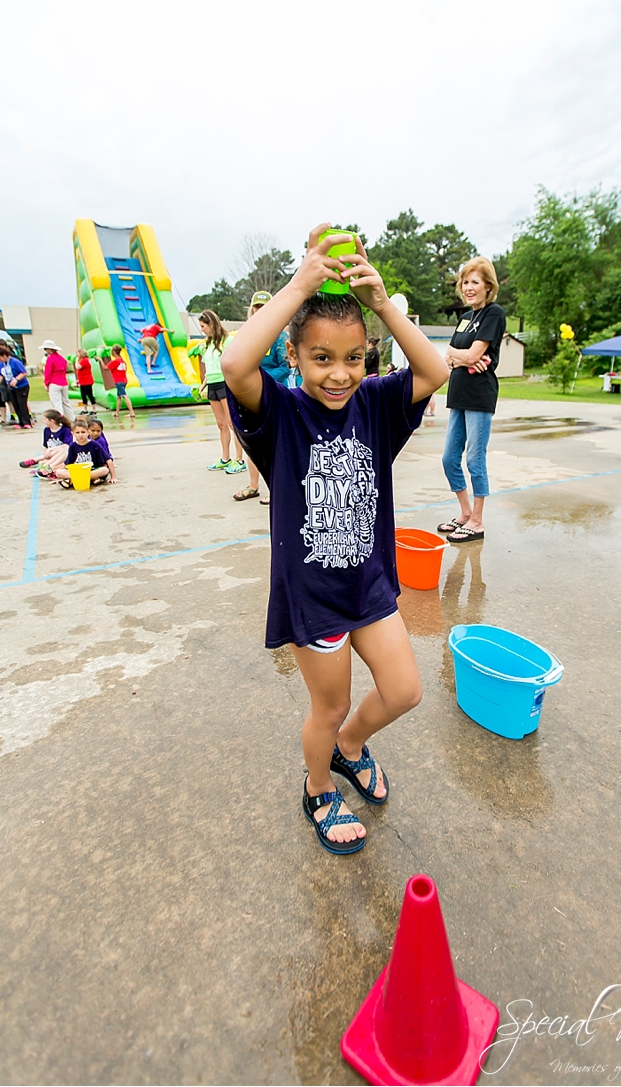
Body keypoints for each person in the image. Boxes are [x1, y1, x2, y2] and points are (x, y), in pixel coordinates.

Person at [222, 223, 448, 854]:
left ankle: (350, 747)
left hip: (369, 584)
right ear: (295, 357)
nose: (339, 374)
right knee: (329, 703)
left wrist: (381, 304)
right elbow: (235, 361)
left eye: (353, 358)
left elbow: (433, 370)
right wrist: (300, 283)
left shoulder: (375, 404)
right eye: (321, 358)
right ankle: (318, 785)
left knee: (405, 689)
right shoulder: (280, 414)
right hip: (314, 594)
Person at [438, 257, 506, 543]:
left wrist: (463, 356)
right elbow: (450, 355)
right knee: (449, 458)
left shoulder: (494, 313)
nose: (468, 287)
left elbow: (473, 354)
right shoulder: (466, 317)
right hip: (459, 393)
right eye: (465, 282)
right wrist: (460, 357)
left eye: (475, 282)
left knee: (475, 459)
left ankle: (477, 521)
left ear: (488, 286)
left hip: (479, 395)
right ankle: (465, 512)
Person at [231, 291, 288, 503]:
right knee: (251, 441)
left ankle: (276, 488)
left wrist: (262, 380)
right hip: (249, 397)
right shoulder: (246, 334)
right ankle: (253, 486)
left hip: (273, 395)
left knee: (274, 444)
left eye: (264, 307)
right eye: (256, 307)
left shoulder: (280, 337)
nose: (259, 311)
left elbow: (285, 367)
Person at [196, 309, 245, 472]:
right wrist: (202, 386)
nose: (201, 329)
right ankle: (225, 458)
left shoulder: (227, 341)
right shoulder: (206, 344)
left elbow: (234, 363)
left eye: (203, 326)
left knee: (233, 423)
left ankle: (239, 459)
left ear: (211, 324)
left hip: (226, 385)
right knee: (221, 424)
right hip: (213, 386)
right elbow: (210, 369)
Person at [57, 417, 110, 488]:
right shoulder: (72, 446)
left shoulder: (94, 444)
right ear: (73, 433)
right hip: (78, 470)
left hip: (92, 469)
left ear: (88, 432)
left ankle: (73, 480)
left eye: (83, 432)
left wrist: (113, 477)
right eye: (77, 432)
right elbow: (67, 463)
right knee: (58, 472)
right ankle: (91, 478)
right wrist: (58, 476)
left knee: (104, 470)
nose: (80, 435)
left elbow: (107, 460)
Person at [22, 409, 72, 476]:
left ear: (52, 421)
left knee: (65, 448)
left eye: (45, 419)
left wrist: (50, 449)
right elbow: (46, 445)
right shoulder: (46, 430)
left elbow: (66, 446)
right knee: (43, 461)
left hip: (61, 455)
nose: (43, 421)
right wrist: (46, 453)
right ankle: (44, 465)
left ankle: (40, 464)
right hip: (51, 455)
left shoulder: (65, 430)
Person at [0, 344, 33, 428]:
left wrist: (16, 379)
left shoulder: (15, 362)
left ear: (4, 356)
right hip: (11, 387)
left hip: (21, 386)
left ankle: (27, 421)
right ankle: (21, 421)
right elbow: (0, 375)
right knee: (15, 404)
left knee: (22, 403)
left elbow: (24, 372)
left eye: (0, 358)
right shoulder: (1, 364)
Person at [40, 340, 75, 423]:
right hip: (63, 383)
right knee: (66, 402)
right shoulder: (62, 359)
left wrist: (46, 383)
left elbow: (48, 372)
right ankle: (72, 418)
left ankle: (60, 420)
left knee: (57, 403)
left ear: (49, 349)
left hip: (54, 383)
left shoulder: (50, 359)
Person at [100, 346, 135, 418]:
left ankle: (131, 412)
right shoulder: (122, 361)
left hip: (118, 381)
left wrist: (100, 360)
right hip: (124, 380)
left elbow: (105, 368)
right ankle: (117, 412)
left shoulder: (115, 361)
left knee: (124, 396)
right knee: (118, 397)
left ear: (113, 352)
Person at [88, 418, 118, 482]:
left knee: (104, 470)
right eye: (93, 431)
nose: (95, 433)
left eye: (98, 431)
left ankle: (95, 477)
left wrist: (113, 477)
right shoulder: (85, 440)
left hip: (100, 465)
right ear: (87, 430)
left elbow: (107, 458)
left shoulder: (100, 441)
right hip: (88, 466)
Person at [75, 348, 98, 414]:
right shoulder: (82, 360)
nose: (77, 355)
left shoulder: (84, 360)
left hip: (87, 381)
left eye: (78, 353)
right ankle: (85, 409)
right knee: (83, 395)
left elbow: (78, 367)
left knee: (90, 394)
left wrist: (76, 360)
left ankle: (94, 409)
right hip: (82, 381)